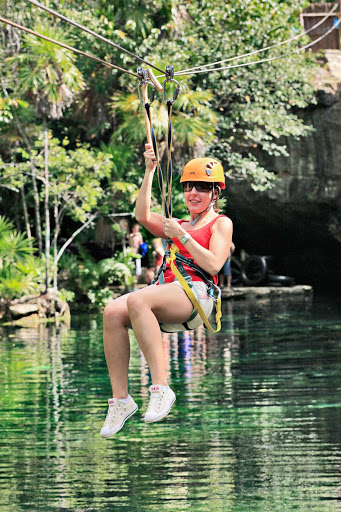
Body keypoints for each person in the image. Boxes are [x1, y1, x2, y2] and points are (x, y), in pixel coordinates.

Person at [100, 147, 233, 438]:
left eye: (201, 188)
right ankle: (121, 400)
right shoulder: (179, 223)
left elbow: (214, 263)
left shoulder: (220, 223)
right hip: (167, 291)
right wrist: (149, 172)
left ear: (215, 193)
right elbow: (142, 214)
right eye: (188, 188)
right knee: (111, 311)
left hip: (197, 294)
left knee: (137, 298)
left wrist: (182, 236)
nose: (193, 193)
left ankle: (161, 387)